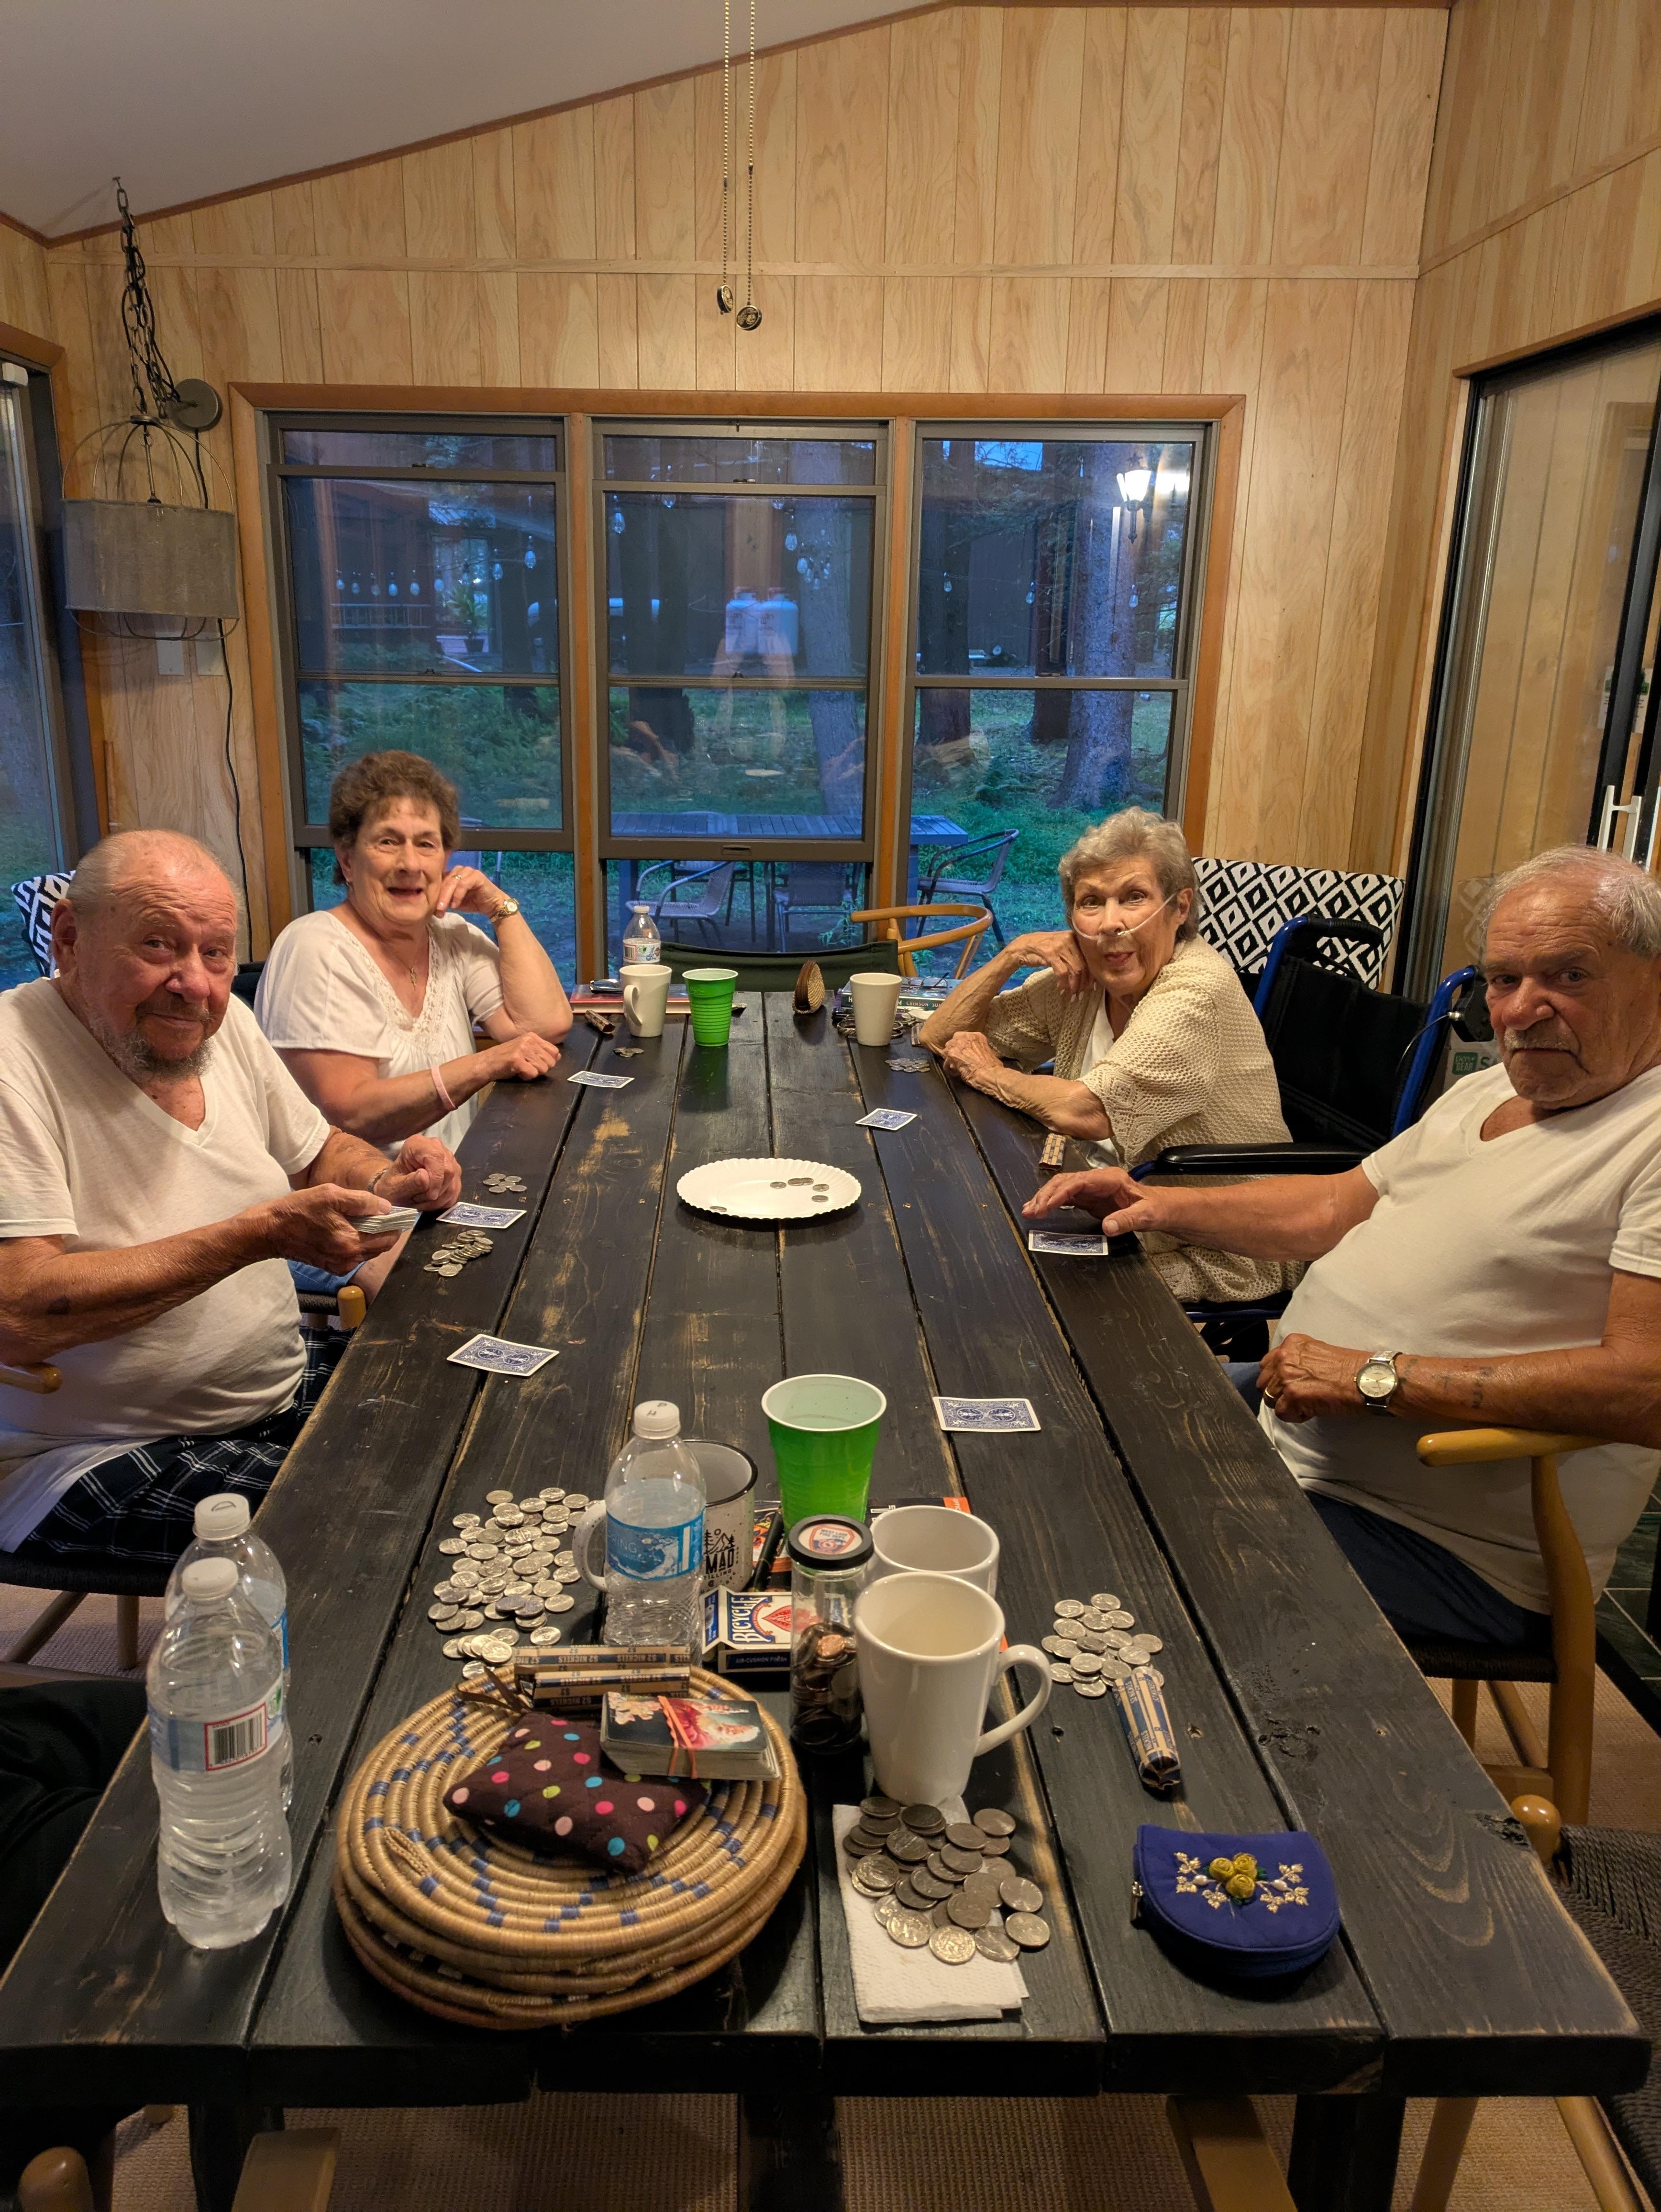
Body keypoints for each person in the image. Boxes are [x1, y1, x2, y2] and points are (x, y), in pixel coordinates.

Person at [1026, 843, 1661, 1651]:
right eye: (1504, 978)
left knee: (1107, 1553)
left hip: (1436, 1543)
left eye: (1569, 975)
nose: (1522, 1009)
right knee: (1065, 1417)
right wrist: (1155, 1202)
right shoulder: (1490, 1087)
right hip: (1292, 1423)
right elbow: (1334, 1202)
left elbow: (1647, 1387)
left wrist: (1375, 1378)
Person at [0, 830, 461, 1569]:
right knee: (386, 1523)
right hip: (91, 1453)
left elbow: (320, 1153)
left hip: (273, 1383)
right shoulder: (12, 1059)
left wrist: (388, 1179)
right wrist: (254, 1235)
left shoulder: (221, 1028)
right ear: (70, 938)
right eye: (157, 946)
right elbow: (17, 1313)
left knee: (465, 1426)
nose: (195, 983)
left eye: (215, 953)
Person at [919, 807, 1294, 1305]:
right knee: (948, 1243)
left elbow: (1086, 1111)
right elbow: (939, 1035)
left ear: (1179, 907)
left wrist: (988, 1074)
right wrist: (1011, 955)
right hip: (1106, 1206)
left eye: (1133, 897)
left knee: (1011, 1289)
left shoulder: (1195, 989)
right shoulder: (1085, 981)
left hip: (1214, 1244)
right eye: (1091, 902)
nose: (1110, 924)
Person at [255, 751, 571, 1163]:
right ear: (348, 860)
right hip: (367, 1214)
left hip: (445, 1192)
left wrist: (500, 908)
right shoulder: (316, 947)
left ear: (445, 860)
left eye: (426, 844)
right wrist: (483, 1066)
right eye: (388, 842)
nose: (410, 864)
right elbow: (352, 1112)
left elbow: (544, 1025)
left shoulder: (452, 937)